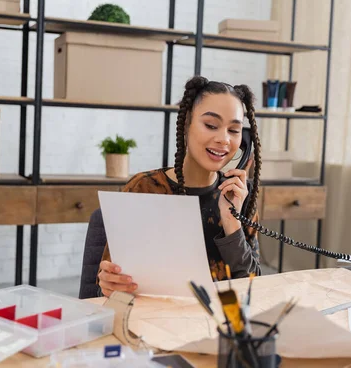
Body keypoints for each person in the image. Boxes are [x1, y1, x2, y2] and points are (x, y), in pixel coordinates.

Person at [97, 76, 263, 298]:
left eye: (233, 130)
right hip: (155, 322)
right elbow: (107, 285)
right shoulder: (144, 189)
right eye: (211, 125)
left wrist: (231, 220)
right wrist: (109, 283)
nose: (224, 139)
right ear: (186, 124)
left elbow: (253, 288)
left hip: (222, 325)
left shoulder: (240, 196)